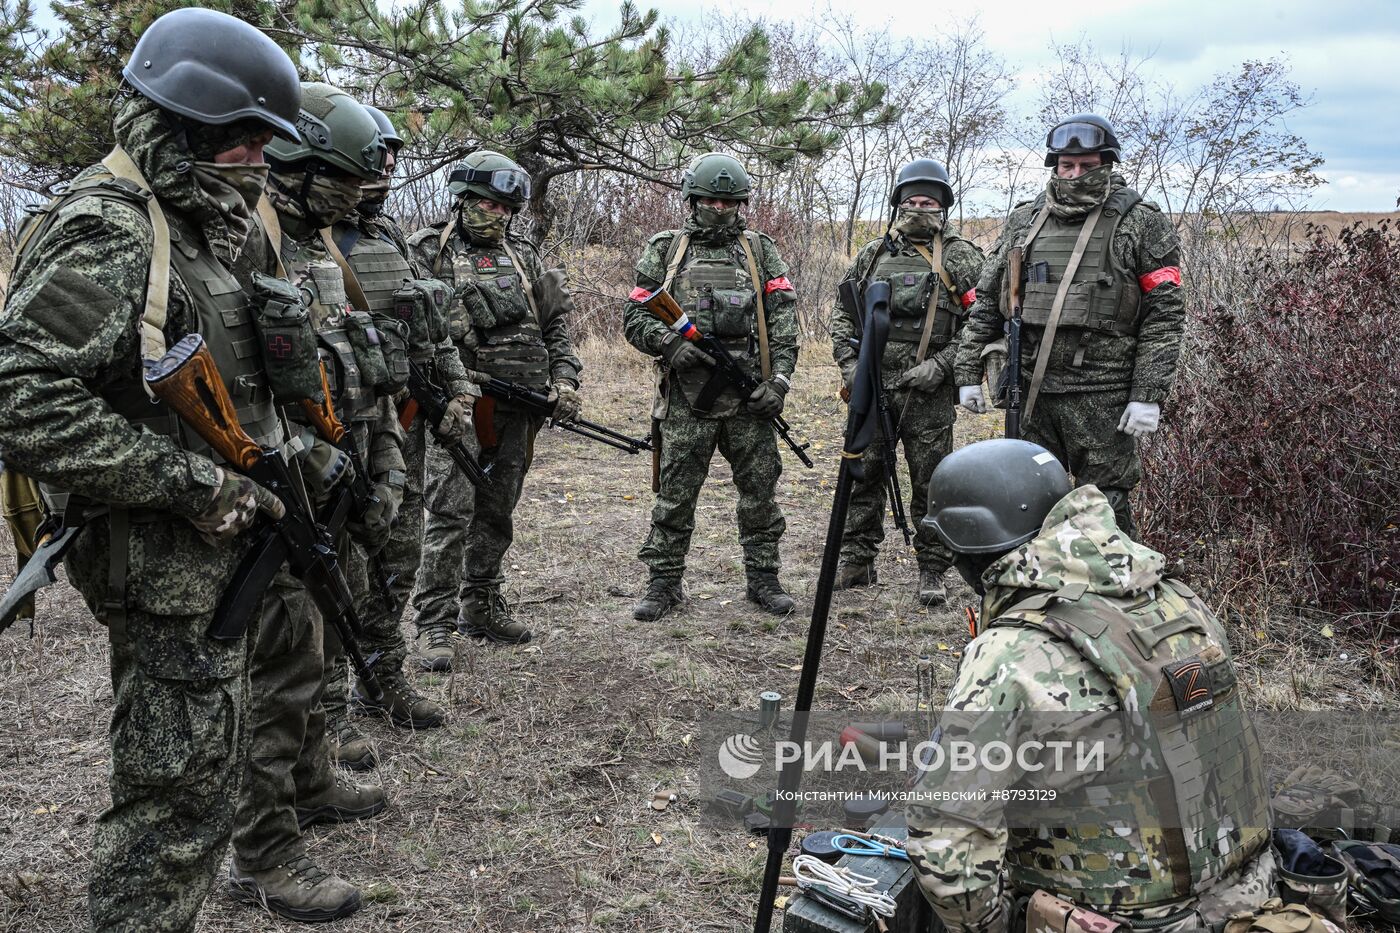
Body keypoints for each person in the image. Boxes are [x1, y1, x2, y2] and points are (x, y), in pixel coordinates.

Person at [0, 9, 301, 929]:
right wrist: (191, 483)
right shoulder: (114, 226)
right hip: (160, 556)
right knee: (172, 803)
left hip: (208, 558)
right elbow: (20, 395)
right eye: (246, 140)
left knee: (199, 781)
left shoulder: (196, 222)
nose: (258, 161)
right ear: (188, 125)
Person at [906, 438, 1276, 933]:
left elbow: (946, 844)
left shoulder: (1011, 652)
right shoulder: (1177, 600)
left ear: (973, 547)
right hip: (1251, 895)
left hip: (1117, 919)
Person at [226, 81, 396, 922]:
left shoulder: (316, 244)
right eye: (339, 178)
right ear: (295, 167)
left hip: (324, 475)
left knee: (320, 640)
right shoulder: (246, 238)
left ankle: (310, 775)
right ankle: (259, 847)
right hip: (269, 485)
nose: (355, 194)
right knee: (281, 662)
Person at [316, 103, 466, 767]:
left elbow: (430, 329)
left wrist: (455, 386)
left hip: (392, 427)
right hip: (322, 434)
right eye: (370, 161)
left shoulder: (393, 239)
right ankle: (326, 709)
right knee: (328, 573)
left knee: (396, 555)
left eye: (386, 163)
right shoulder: (292, 240)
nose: (380, 174)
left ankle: (383, 676)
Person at [954, 115, 1184, 536]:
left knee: (1106, 508)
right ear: (1054, 166)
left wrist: (1147, 394)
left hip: (1103, 393)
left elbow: (1164, 317)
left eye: (1087, 165)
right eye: (1066, 166)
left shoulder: (1140, 222)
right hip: (1031, 390)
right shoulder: (1025, 220)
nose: (1076, 174)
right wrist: (967, 372)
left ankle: (1113, 597)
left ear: (1107, 165)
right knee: (1029, 498)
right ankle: (1040, 597)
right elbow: (989, 299)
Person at [408, 151, 582, 651]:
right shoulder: (427, 253)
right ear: (462, 201)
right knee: (449, 512)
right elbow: (415, 334)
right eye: (488, 204)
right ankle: (434, 622)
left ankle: (480, 606)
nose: (498, 215)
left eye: (507, 208)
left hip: (520, 406)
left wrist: (565, 380)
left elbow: (556, 327)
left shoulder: (525, 256)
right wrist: (446, 395)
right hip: (459, 408)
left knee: (497, 510)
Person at [622, 153, 799, 622]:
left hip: (749, 399)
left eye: (729, 201)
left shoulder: (760, 251)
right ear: (692, 199)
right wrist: (668, 345)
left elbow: (784, 323)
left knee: (760, 493)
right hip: (686, 400)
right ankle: (663, 583)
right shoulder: (666, 250)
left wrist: (778, 383)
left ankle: (763, 579)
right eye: (711, 200)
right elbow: (635, 314)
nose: (720, 209)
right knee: (675, 495)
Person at [830, 158, 983, 606]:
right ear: (898, 203)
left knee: (932, 482)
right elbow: (842, 314)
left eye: (929, 202)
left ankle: (932, 569)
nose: (920, 209)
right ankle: (856, 561)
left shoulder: (961, 257)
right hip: (871, 388)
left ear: (944, 207)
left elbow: (982, 324)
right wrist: (851, 367)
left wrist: (943, 366)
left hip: (927, 393)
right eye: (912, 201)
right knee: (864, 474)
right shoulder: (873, 254)